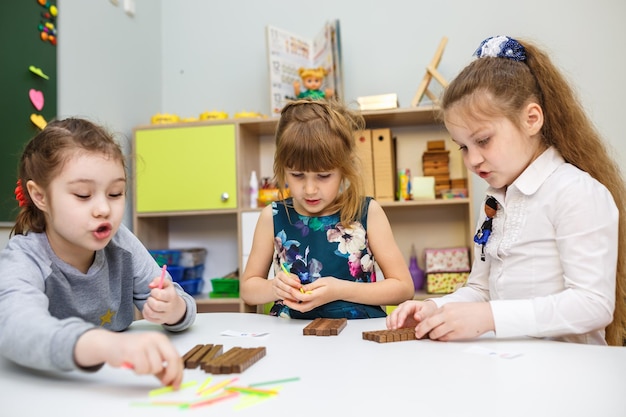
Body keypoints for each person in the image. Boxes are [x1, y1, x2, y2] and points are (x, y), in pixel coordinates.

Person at [387, 35, 626, 346]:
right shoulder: (494, 199)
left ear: (531, 119)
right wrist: (434, 308)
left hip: (569, 372)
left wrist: (490, 317)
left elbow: (593, 305)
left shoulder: (576, 192)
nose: (472, 160)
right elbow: (481, 289)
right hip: (511, 365)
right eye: (463, 147)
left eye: (483, 140)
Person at [0, 118, 197, 387]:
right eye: (83, 195)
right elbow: (15, 329)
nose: (104, 209)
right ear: (40, 196)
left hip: (113, 387)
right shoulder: (25, 258)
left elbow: (181, 303)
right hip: (47, 390)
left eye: (115, 193)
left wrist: (174, 309)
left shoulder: (121, 242)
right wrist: (104, 344)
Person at [241, 99, 414, 319]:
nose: (310, 189)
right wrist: (275, 287)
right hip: (292, 338)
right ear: (282, 169)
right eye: (297, 175)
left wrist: (340, 290)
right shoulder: (273, 216)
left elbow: (403, 288)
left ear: (344, 169)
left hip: (356, 337)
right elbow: (248, 289)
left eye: (323, 176)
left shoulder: (368, 212)